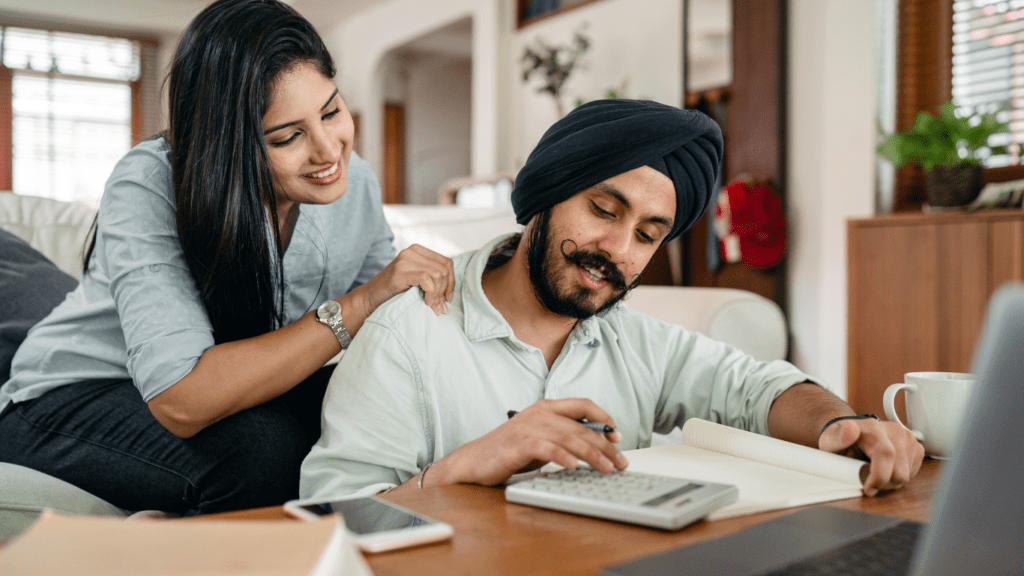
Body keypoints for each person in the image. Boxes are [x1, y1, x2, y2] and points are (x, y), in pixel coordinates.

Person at [299, 99, 925, 501]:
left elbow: (756, 389)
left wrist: (842, 424)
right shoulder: (406, 334)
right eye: (603, 209)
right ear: (546, 194)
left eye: (649, 235)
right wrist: (467, 464)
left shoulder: (632, 339)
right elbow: (332, 517)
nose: (619, 248)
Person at [0, 0, 455, 515]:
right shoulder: (152, 182)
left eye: (331, 111)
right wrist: (357, 304)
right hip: (72, 396)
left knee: (384, 413)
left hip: (236, 393)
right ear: (229, 143)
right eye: (287, 136)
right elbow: (182, 398)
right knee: (262, 451)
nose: (330, 150)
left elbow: (392, 328)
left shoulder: (357, 184)